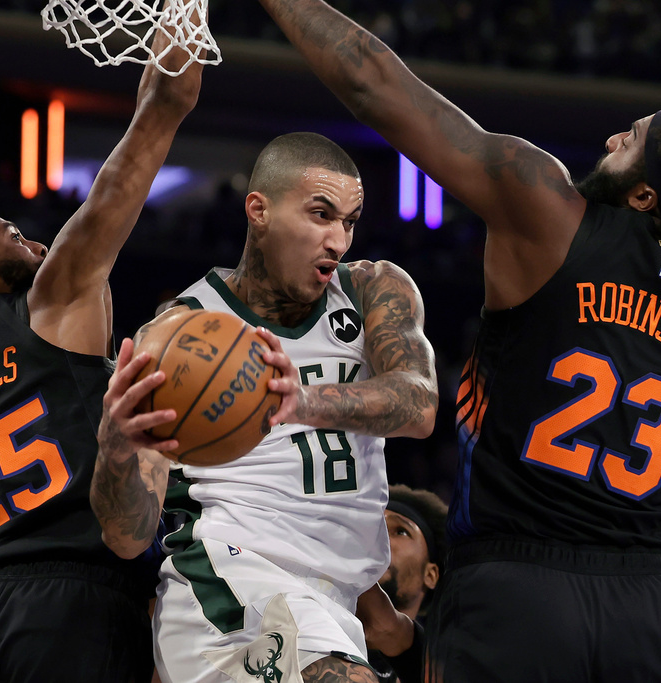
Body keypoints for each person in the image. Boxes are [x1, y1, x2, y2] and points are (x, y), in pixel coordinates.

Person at [248, 1, 661, 680]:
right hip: (640, 605)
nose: (613, 136)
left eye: (630, 137)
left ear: (643, 195)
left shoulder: (547, 210)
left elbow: (373, 83)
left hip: (515, 586)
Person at [0, 13, 206, 682]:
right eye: (12, 234)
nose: (37, 243)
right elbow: (147, 135)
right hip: (68, 606)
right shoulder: (48, 300)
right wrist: (178, 51)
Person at [90, 131, 439, 683]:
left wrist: (301, 401)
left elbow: (419, 404)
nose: (338, 240)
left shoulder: (374, 288)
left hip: (333, 605)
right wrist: (115, 447)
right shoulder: (179, 331)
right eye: (320, 214)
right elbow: (127, 536)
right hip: (229, 579)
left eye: (348, 221)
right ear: (260, 210)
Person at [367, 484, 448, 683]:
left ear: (431, 574)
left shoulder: (450, 666)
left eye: (401, 531)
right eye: (373, 526)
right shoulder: (305, 628)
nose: (379, 536)